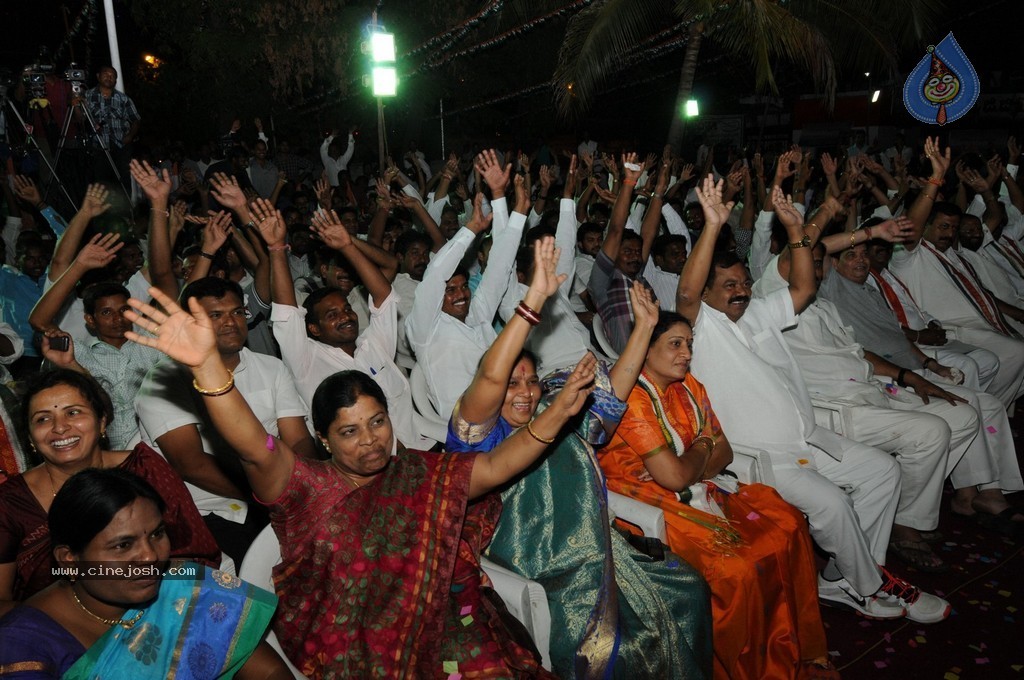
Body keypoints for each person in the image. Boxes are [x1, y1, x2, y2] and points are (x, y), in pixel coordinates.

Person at [122, 266, 600, 677]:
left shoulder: (415, 471)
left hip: (434, 617)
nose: (370, 439)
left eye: (377, 422)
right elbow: (254, 446)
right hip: (348, 639)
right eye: (350, 432)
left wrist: (558, 413)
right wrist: (207, 367)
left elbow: (495, 466)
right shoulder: (303, 485)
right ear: (324, 439)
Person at [676, 177, 948, 624]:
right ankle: (872, 585)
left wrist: (797, 232)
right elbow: (686, 293)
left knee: (883, 471)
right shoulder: (701, 327)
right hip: (759, 459)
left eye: (744, 281)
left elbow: (803, 289)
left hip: (808, 442)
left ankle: (844, 575)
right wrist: (710, 226)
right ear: (708, 294)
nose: (741, 290)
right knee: (834, 504)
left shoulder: (759, 311)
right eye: (727, 285)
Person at [448, 240, 712, 678]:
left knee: (689, 590)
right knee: (616, 649)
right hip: (537, 562)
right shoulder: (476, 434)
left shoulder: (554, 406)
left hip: (598, 550)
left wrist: (645, 328)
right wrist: (533, 299)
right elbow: (491, 375)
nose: (525, 392)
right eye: (512, 384)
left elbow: (611, 398)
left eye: (530, 381)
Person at [598, 311, 831, 678]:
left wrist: (693, 457)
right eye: (675, 344)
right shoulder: (634, 399)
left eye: (689, 344)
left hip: (697, 486)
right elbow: (675, 476)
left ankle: (787, 650)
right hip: (644, 502)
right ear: (644, 349)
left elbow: (723, 453)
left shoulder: (690, 385)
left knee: (787, 524)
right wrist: (697, 452)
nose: (686, 353)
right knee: (734, 569)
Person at [0, 468, 288, 678]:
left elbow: (269, 671)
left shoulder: (184, 589)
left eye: (156, 534)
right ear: (70, 559)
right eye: (123, 545)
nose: (150, 556)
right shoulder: (23, 642)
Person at [0, 369, 219, 614]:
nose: (59, 428)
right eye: (43, 419)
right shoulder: (11, 502)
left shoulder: (144, 468)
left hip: (162, 608)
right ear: (30, 438)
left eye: (73, 412)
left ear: (102, 421)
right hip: (60, 631)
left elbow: (197, 557)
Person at [134, 277, 312, 566]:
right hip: (209, 508)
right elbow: (190, 463)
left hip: (279, 492)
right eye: (215, 315)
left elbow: (299, 438)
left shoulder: (271, 367)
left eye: (237, 312)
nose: (230, 322)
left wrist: (304, 485)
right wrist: (264, 493)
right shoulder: (164, 380)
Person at [81, 66, 139, 191]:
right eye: (106, 74)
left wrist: (130, 136)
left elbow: (135, 120)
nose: (109, 77)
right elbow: (79, 119)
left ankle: (127, 209)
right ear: (98, 76)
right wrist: (75, 105)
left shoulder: (123, 99)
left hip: (121, 146)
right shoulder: (87, 96)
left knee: (123, 181)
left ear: (116, 80)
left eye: (112, 75)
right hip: (98, 147)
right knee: (101, 183)